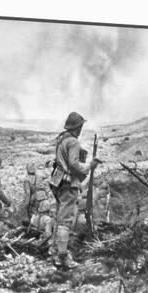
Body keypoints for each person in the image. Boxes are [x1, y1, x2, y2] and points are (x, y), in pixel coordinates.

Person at [48, 112, 100, 269]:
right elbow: (74, 164)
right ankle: (63, 257)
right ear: (78, 127)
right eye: (81, 126)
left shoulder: (62, 139)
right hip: (68, 183)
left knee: (60, 216)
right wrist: (90, 166)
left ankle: (55, 250)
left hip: (58, 182)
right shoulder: (73, 142)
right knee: (66, 220)